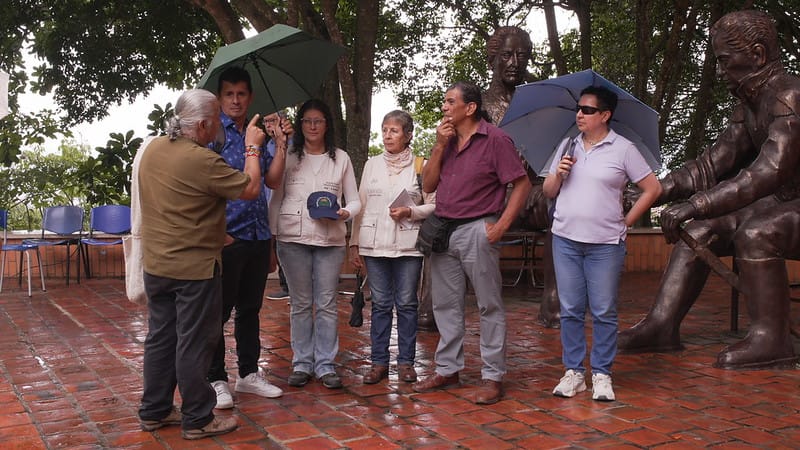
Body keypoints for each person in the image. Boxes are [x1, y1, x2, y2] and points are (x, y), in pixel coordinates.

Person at [618, 10, 800, 369]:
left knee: (758, 233)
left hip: (789, 203)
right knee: (701, 229)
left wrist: (697, 203)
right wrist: (654, 192)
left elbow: (767, 172)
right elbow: (710, 165)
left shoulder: (789, 96)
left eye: (724, 61)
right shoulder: (749, 104)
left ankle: (773, 338)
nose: (719, 72)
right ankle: (661, 325)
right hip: (785, 202)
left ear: (758, 55)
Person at [137, 89, 263, 440]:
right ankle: (197, 418)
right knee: (194, 342)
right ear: (205, 124)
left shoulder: (152, 149)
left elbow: (179, 202)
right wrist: (252, 146)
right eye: (217, 118)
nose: (220, 124)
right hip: (194, 269)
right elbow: (251, 188)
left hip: (157, 265)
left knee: (161, 338)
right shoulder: (203, 160)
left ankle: (155, 410)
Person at [412, 81, 531, 405]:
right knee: (445, 305)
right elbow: (428, 185)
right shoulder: (446, 140)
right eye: (444, 101)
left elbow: (521, 184)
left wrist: (501, 226)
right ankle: (448, 370)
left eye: (450, 101)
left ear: (471, 107)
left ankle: (493, 377)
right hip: (443, 231)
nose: (444, 107)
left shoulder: (496, 140)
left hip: (478, 229)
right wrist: (439, 146)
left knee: (488, 305)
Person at [543, 86, 661, 401]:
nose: (580, 114)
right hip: (565, 239)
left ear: (605, 115)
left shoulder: (623, 149)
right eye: (578, 109)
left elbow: (652, 188)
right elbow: (548, 191)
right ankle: (573, 373)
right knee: (570, 309)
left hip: (606, 244)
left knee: (604, 310)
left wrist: (627, 221)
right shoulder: (567, 145)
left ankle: (601, 373)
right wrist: (559, 173)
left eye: (588, 110)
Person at [206, 68, 290, 409]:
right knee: (218, 312)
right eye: (229, 94)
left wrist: (281, 144)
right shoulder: (213, 135)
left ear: (250, 97)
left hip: (256, 234)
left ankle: (248, 373)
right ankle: (215, 378)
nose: (236, 100)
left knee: (250, 310)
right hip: (226, 235)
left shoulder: (256, 133)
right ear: (219, 98)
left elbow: (272, 181)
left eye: (241, 94)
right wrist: (218, 233)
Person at [268, 99, 361, 389]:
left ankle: (325, 364)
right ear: (300, 125)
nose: (312, 126)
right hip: (292, 239)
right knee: (300, 303)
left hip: (330, 240)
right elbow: (276, 198)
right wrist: (271, 237)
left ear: (327, 125)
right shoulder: (289, 157)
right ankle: (302, 363)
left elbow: (355, 200)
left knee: (326, 303)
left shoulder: (341, 158)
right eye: (307, 121)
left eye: (318, 121)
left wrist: (346, 213)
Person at [349, 110, 435, 384]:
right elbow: (361, 204)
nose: (387, 135)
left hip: (408, 246)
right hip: (374, 246)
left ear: (408, 135)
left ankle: (406, 362)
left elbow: (434, 204)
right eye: (385, 129)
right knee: (381, 304)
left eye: (394, 130)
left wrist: (411, 212)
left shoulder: (422, 165)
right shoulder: (372, 164)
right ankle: (378, 363)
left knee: (407, 304)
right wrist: (354, 242)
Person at [483, 26, 533, 126]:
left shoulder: (536, 104)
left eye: (521, 56)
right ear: (491, 62)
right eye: (506, 55)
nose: (515, 63)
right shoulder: (477, 106)